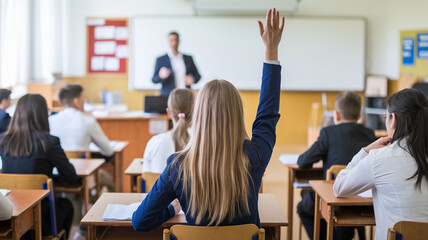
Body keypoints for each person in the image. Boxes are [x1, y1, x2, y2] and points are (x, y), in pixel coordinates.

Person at [132, 8, 284, 231]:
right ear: (237, 114)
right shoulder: (255, 156)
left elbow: (140, 221)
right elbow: (267, 116)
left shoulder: (177, 166)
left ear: (199, 114)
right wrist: (271, 52)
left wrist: (171, 210)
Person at [333, 88, 428, 240]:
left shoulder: (380, 158)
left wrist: (366, 151)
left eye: (386, 116)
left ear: (393, 119)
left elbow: (339, 187)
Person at [297, 91, 376, 240]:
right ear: (360, 115)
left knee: (303, 208)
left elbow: (303, 162)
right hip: (363, 198)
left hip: (334, 195)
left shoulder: (328, 132)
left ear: (337, 115)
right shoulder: (369, 134)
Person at [0, 94, 79, 238]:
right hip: (43, 219)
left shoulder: (4, 141)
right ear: (43, 115)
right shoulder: (49, 142)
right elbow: (71, 176)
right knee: (67, 205)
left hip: (12, 214)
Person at [49, 84, 114, 157]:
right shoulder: (88, 121)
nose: (84, 102)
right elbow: (109, 151)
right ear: (76, 102)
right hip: (84, 167)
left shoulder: (50, 121)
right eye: (83, 99)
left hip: (57, 167)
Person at [142, 88, 194, 173]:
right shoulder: (204, 142)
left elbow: (146, 174)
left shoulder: (155, 142)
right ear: (195, 113)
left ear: (168, 112)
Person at [152, 31, 201, 96]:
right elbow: (154, 79)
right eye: (171, 40)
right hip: (168, 96)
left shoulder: (188, 58)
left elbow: (198, 76)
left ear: (179, 41)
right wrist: (161, 76)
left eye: (176, 40)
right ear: (168, 41)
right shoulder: (161, 59)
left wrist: (192, 79)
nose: (174, 43)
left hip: (186, 95)